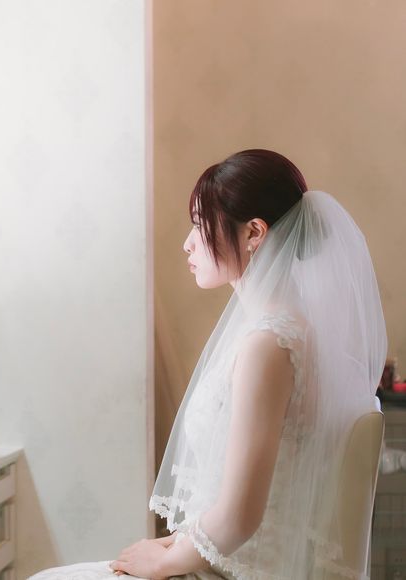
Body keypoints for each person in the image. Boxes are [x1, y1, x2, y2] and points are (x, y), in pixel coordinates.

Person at [28, 149, 387, 579]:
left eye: (200, 224)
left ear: (254, 232)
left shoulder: (269, 345)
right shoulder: (286, 330)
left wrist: (163, 562)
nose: (188, 242)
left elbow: (241, 516)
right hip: (218, 556)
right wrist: (172, 543)